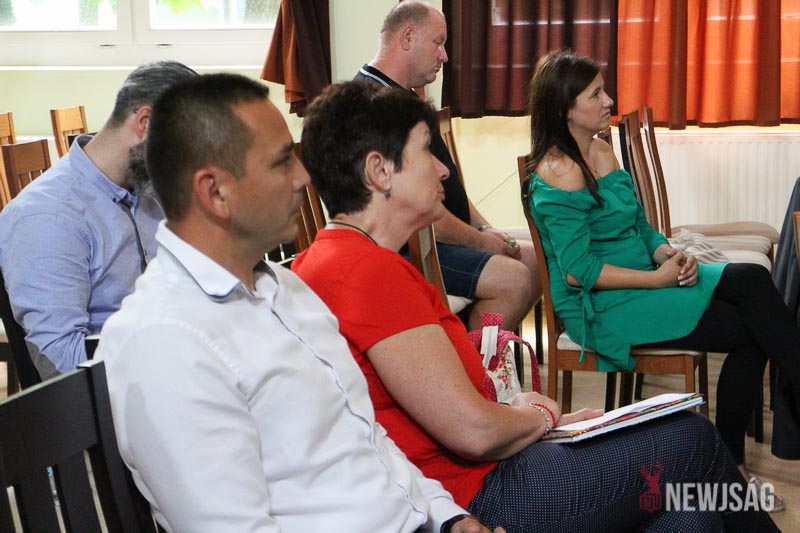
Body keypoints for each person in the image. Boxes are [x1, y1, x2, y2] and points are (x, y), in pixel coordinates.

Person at [292, 80, 778, 531]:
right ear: (380, 172)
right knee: (691, 437)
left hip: (484, 474)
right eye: (426, 150)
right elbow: (474, 432)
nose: (444, 169)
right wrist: (544, 418)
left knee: (693, 515)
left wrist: (523, 412)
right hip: (485, 491)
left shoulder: (337, 260)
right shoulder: (368, 273)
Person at [94, 73, 501, 533]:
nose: (303, 177)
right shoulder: (165, 340)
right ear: (215, 192)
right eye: (281, 161)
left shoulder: (284, 288)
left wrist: (448, 517)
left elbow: (366, 436)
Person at [522, 50, 800, 501]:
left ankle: (730, 465)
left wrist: (667, 251)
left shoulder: (601, 150)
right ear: (564, 109)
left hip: (645, 277)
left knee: (752, 281)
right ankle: (731, 466)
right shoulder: (559, 173)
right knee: (752, 327)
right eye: (596, 94)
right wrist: (658, 279)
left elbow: (639, 223)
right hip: (604, 305)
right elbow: (578, 273)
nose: (609, 100)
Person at [0, 61, 198, 379]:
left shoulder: (148, 186)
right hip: (131, 390)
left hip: (183, 361)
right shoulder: (48, 217)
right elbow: (64, 365)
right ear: (145, 123)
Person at [354, 0, 539, 331]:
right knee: (514, 279)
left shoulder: (405, 96)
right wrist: (481, 242)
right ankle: (466, 360)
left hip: (437, 238)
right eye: (438, 43)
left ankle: (476, 346)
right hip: (407, 249)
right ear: (408, 37)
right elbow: (419, 210)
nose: (445, 56)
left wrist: (485, 229)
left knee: (536, 261)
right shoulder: (374, 105)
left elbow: (449, 184)